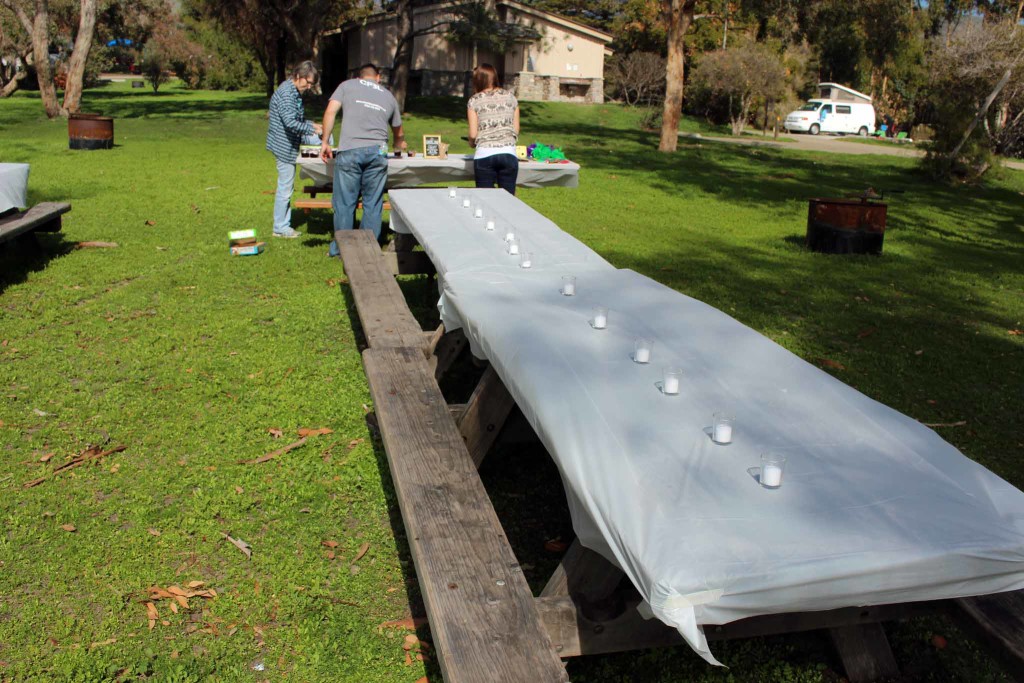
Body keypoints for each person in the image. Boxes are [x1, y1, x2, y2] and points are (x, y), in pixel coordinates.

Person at [320, 64, 406, 255]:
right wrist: (400, 144)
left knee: (345, 202)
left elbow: (330, 112)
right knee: (373, 202)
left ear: (360, 77)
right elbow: (398, 132)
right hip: (378, 152)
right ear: (377, 77)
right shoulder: (388, 95)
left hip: (350, 148)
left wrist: (325, 141)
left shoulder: (347, 85)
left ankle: (342, 248)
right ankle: (369, 247)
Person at [266, 61, 323, 239]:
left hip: (292, 140)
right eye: (308, 82)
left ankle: (323, 178)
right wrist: (311, 128)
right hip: (284, 146)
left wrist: (313, 125)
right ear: (298, 76)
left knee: (325, 139)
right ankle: (280, 228)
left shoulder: (295, 92)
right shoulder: (286, 93)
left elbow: (297, 119)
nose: (309, 86)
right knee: (285, 187)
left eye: (312, 84)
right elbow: (290, 123)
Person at [467, 64, 520, 195]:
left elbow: (473, 134)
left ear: (478, 80)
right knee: (508, 202)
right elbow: (516, 130)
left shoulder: (474, 100)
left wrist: (471, 143)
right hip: (508, 153)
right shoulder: (511, 98)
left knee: (487, 201)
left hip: (485, 154)